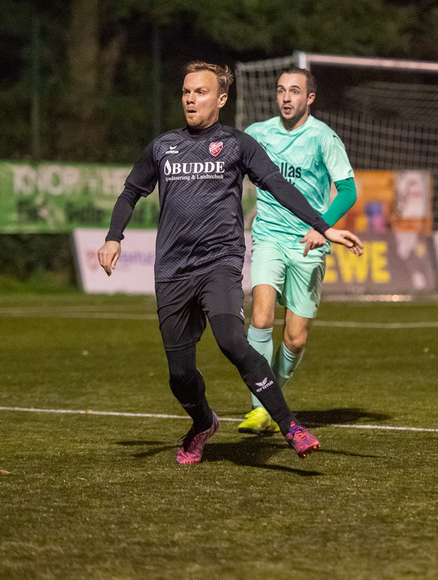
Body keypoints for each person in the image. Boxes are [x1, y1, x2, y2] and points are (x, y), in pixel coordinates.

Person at [97, 60, 363, 465]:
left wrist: (323, 227)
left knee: (233, 341)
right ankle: (202, 422)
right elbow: (131, 192)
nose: (190, 99)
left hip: (218, 263)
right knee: (180, 375)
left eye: (200, 92)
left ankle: (289, 424)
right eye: (186, 92)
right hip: (171, 270)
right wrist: (114, 236)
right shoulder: (162, 146)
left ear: (220, 99)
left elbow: (278, 185)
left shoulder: (238, 144)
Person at [238, 67, 357, 435]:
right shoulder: (257, 134)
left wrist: (321, 227)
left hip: (307, 245)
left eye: (294, 91)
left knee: (295, 338)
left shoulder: (323, 138)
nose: (286, 97)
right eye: (280, 91)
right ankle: (261, 408)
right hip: (269, 236)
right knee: (259, 316)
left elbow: (349, 191)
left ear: (310, 98)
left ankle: (270, 397)